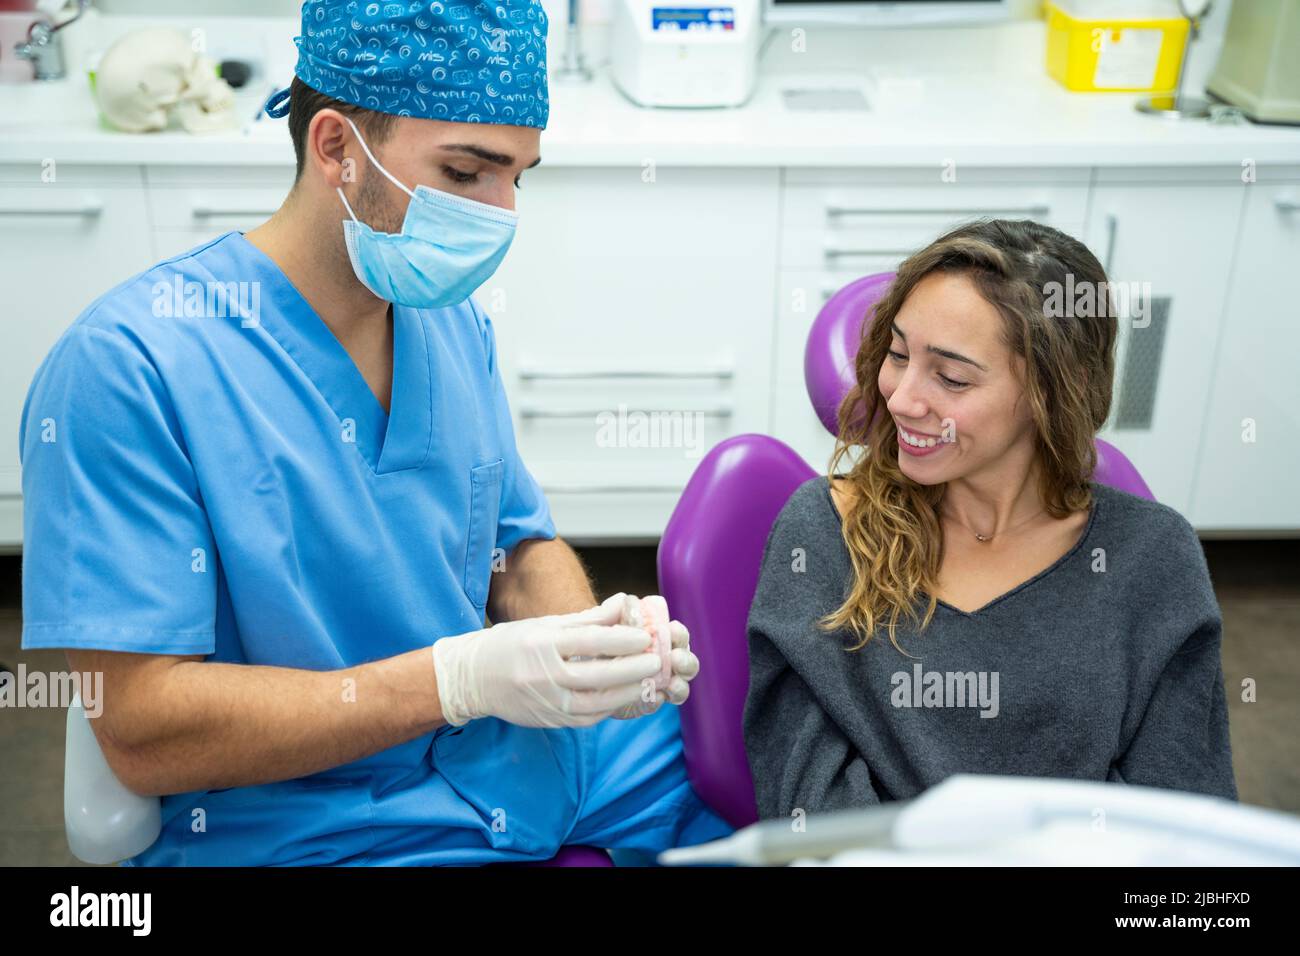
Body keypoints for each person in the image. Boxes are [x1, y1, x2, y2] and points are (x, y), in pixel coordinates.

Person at [19, 0, 731, 865]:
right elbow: (143, 731)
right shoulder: (128, 370)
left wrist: (589, 649)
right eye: (468, 173)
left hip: (515, 757)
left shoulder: (449, 320)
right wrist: (455, 680)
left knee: (762, 774)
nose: (502, 213)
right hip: (310, 819)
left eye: (519, 176)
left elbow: (514, 542)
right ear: (335, 150)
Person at [744, 219, 1236, 820]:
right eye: (898, 355)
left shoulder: (1153, 558)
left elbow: (1183, 821)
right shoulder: (825, 534)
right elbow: (807, 810)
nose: (900, 399)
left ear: (1056, 391)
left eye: (951, 378)